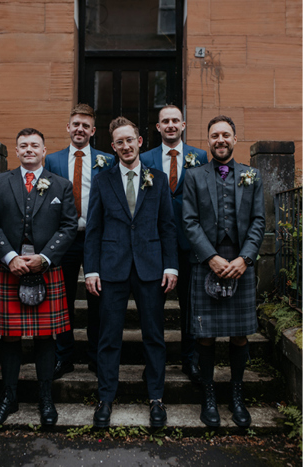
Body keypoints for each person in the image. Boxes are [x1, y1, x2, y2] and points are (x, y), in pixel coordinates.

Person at [0, 128, 78, 427]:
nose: (29, 149)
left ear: (45, 150)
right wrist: (9, 258)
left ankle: (45, 398)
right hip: (9, 269)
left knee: (46, 337)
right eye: (23, 145)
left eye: (35, 145)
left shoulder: (61, 185)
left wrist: (45, 258)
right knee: (9, 338)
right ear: (17, 150)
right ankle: (8, 398)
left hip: (45, 269)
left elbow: (68, 226)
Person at [84, 117, 178, 428]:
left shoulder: (158, 179)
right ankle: (106, 398)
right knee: (109, 337)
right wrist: (92, 270)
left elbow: (167, 226)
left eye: (130, 140)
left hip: (150, 267)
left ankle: (156, 399)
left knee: (154, 336)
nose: (125, 146)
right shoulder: (103, 180)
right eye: (119, 142)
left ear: (140, 141)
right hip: (112, 267)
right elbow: (94, 230)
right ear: (113, 147)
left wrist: (170, 265)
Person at [182, 115, 265, 428]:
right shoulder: (193, 176)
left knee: (240, 335)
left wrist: (245, 258)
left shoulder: (251, 175)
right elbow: (188, 221)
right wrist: (211, 257)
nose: (220, 140)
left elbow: (259, 221)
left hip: (240, 262)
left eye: (226, 135)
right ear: (208, 141)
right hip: (208, 262)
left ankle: (237, 395)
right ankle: (209, 397)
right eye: (215, 135)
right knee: (205, 336)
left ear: (234, 139)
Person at [44, 103, 116, 379]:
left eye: (86, 126)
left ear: (93, 131)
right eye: (76, 124)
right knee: (63, 300)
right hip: (64, 239)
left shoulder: (106, 160)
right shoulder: (53, 160)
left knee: (99, 298)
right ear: (68, 127)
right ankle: (64, 357)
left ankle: (96, 356)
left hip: (96, 238)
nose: (80, 129)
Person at [140, 104, 208, 383]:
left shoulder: (200, 156)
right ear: (158, 127)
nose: (170, 125)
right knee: (152, 308)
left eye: (175, 121)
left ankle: (189, 359)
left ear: (183, 125)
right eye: (165, 121)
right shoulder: (145, 158)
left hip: (189, 243)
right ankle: (154, 363)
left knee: (189, 306)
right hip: (154, 243)